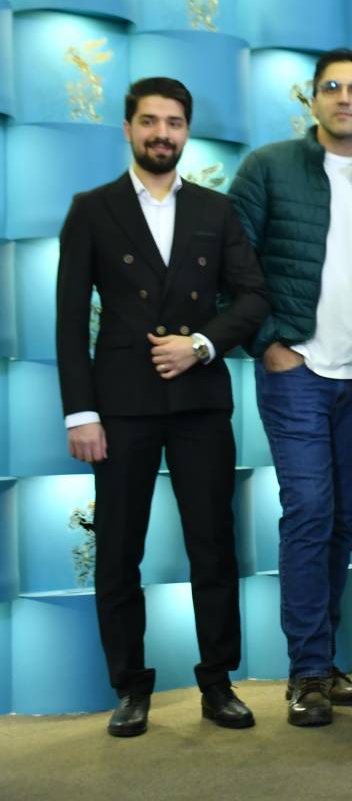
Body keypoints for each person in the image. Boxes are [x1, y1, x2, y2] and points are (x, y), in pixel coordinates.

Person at [56, 77, 269, 736]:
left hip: (200, 401)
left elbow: (253, 297)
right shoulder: (91, 209)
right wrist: (80, 414)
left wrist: (200, 345)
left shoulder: (215, 209)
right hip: (121, 405)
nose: (161, 134)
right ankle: (130, 687)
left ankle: (218, 682)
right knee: (119, 549)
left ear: (186, 131)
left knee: (214, 546)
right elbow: (69, 320)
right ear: (128, 128)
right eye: (149, 121)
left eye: (173, 123)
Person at [229, 48, 352, 725]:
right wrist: (267, 342)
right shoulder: (268, 167)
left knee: (339, 521)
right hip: (296, 370)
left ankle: (324, 664)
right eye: (331, 87)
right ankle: (305, 671)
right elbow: (232, 261)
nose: (344, 98)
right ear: (313, 99)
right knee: (307, 511)